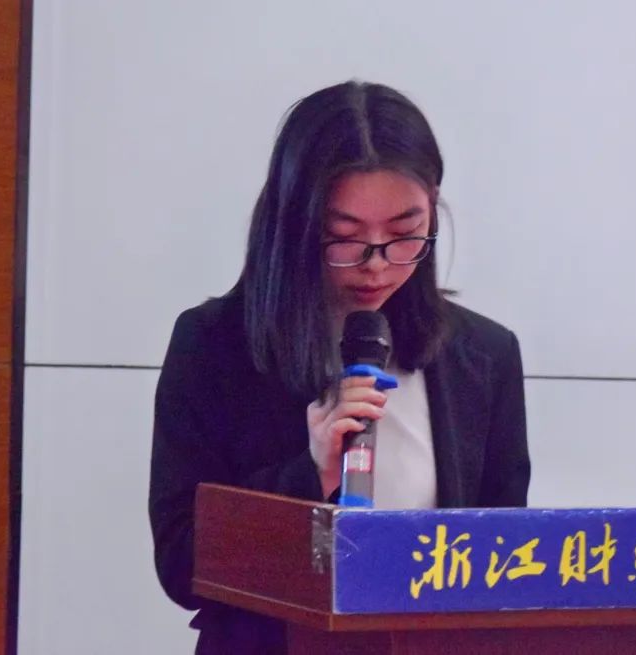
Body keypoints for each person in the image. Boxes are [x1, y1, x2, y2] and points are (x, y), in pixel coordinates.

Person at [148, 80, 530, 654]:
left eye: (404, 234)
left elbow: (504, 565)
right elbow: (181, 566)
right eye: (344, 237)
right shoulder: (214, 346)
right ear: (294, 223)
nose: (376, 265)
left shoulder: (484, 354)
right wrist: (309, 473)